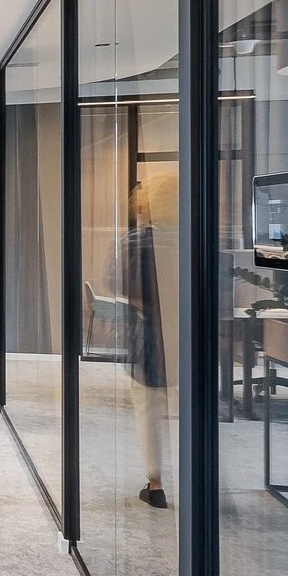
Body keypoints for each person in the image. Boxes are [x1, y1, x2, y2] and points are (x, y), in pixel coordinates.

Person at [126, 176, 174, 508]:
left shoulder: (138, 243)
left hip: (150, 337)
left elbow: (120, 284)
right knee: (191, 411)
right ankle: (194, 476)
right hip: (189, 338)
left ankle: (155, 482)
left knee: (149, 411)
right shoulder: (199, 239)